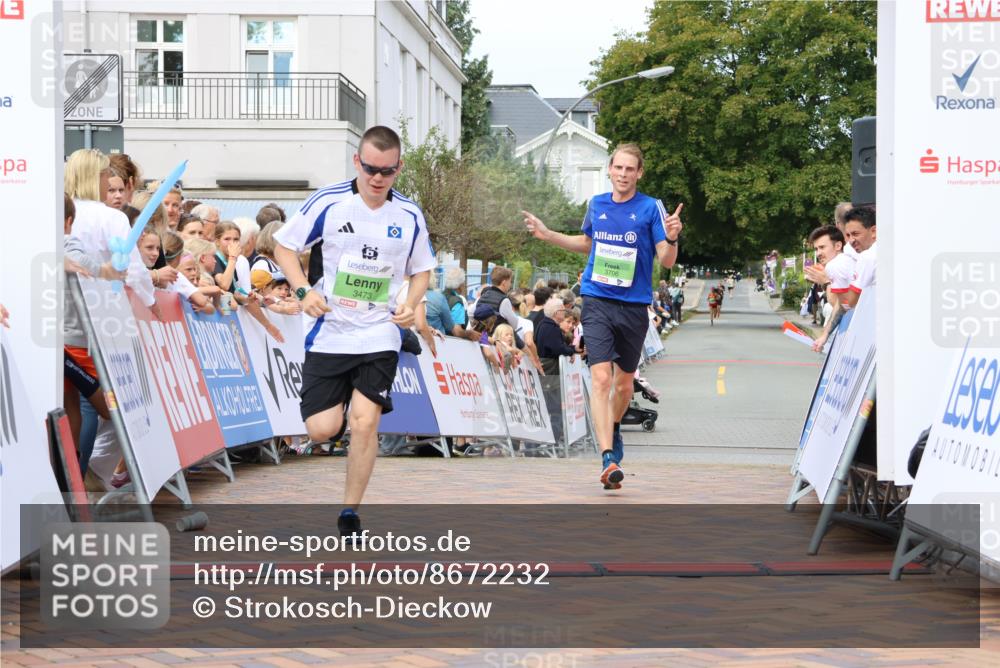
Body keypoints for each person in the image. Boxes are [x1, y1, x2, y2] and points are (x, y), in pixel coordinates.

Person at [273, 125, 435, 537]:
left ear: (399, 168)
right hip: (330, 329)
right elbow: (283, 247)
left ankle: (350, 512)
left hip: (379, 330)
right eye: (370, 169)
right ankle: (344, 399)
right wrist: (303, 291)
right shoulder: (328, 202)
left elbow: (422, 270)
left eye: (387, 171)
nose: (378, 178)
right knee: (321, 429)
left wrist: (410, 304)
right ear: (356, 162)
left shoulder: (409, 214)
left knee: (365, 423)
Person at [523, 142, 683, 490]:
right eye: (618, 168)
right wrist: (548, 235)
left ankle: (612, 426)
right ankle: (608, 457)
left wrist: (671, 238)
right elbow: (587, 243)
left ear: (639, 173)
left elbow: (666, 259)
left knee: (624, 385)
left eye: (630, 169)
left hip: (634, 306)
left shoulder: (651, 207)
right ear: (610, 170)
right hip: (596, 300)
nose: (623, 174)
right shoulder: (597, 204)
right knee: (600, 379)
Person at [806, 225, 856, 352]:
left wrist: (826, 282)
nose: (818, 253)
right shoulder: (846, 260)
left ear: (838, 246)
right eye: (816, 249)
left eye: (822, 247)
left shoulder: (835, 265)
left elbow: (840, 304)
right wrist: (824, 335)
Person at [841, 206, 877, 309]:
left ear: (873, 231)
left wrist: (826, 282)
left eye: (855, 234)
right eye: (848, 235)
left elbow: (852, 302)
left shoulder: (867, 257)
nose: (851, 241)